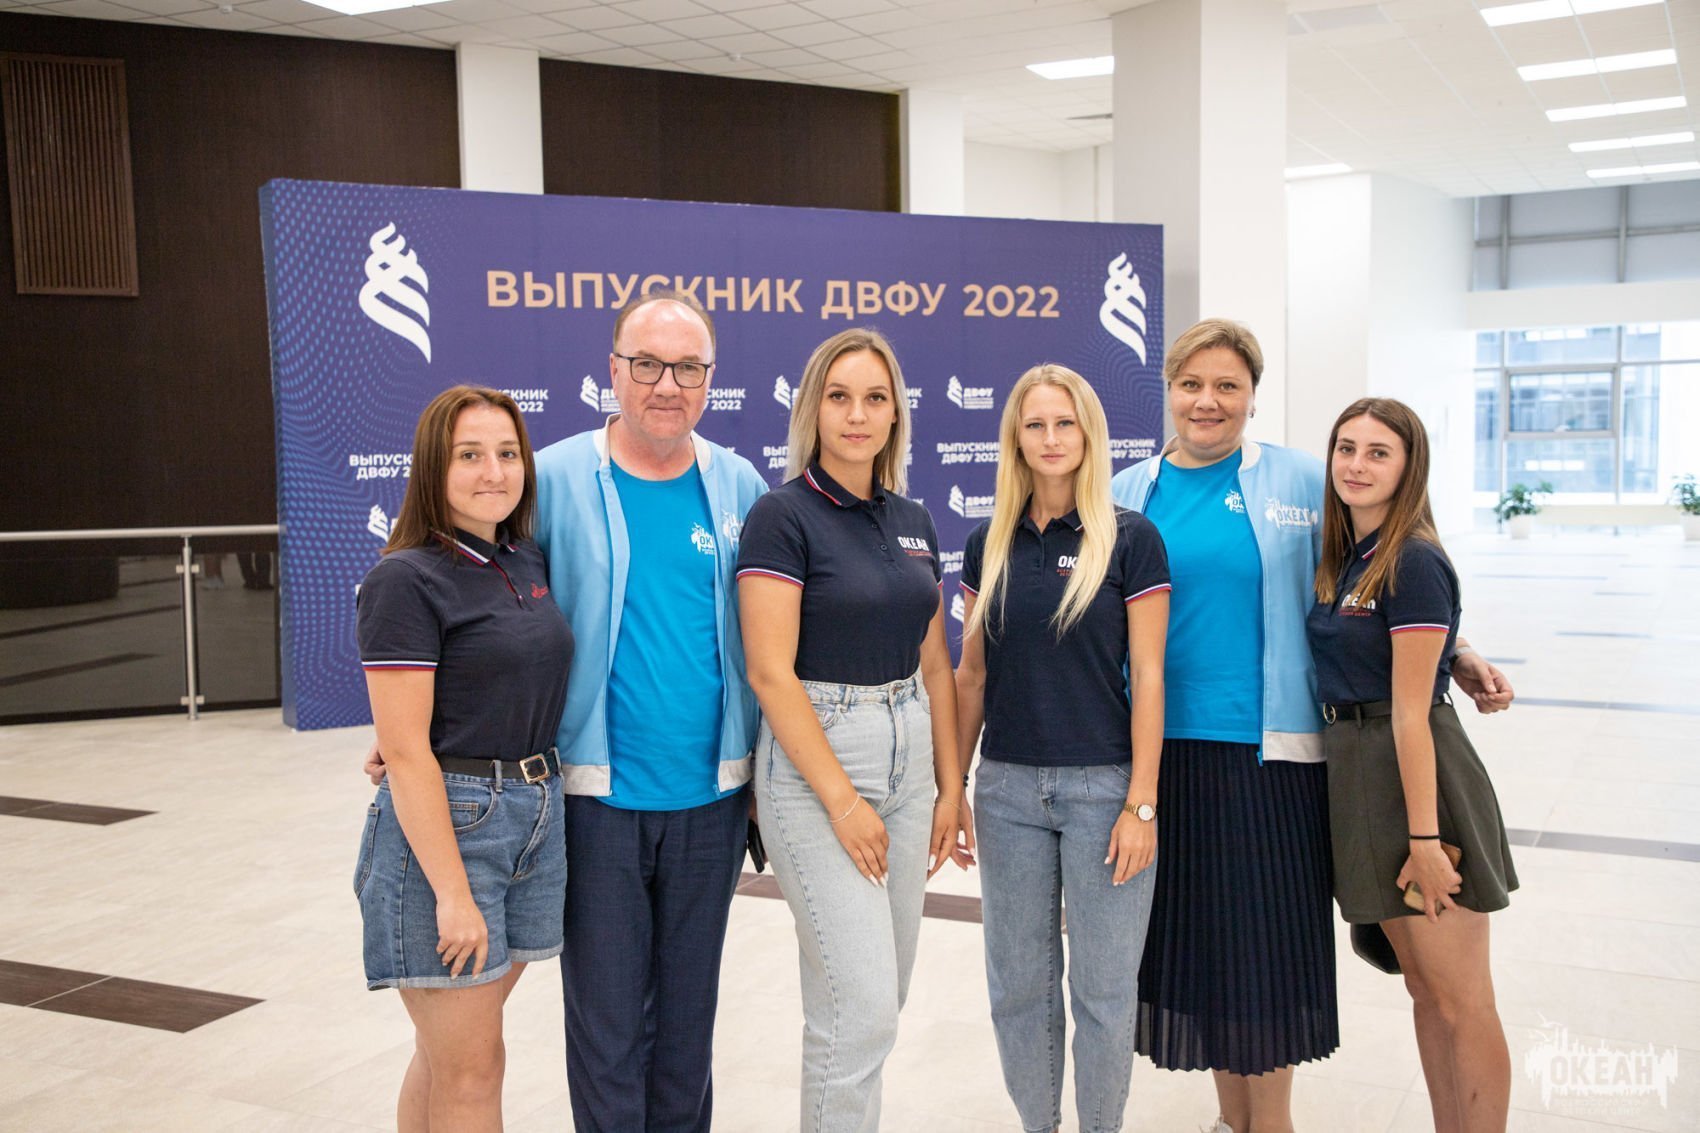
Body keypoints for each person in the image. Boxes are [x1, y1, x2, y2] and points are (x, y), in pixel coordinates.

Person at [367, 289, 767, 1131]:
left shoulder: (739, 484)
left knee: (687, 1029)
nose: (667, 384)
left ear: (711, 379)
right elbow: (477, 608)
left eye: (687, 367)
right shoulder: (544, 478)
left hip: (711, 803)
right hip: (592, 803)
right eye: (647, 364)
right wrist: (408, 736)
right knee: (606, 1029)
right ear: (612, 370)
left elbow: (769, 640)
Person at [1108, 319, 1514, 1133]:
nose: (1208, 400)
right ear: (1167, 389)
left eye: (1228, 385)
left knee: (1267, 957)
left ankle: (1272, 1122)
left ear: (1254, 396)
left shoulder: (1301, 479)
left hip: (1277, 757)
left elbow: (1388, 574)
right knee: (1207, 957)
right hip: (1161, 756)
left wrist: (1455, 651)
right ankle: (1234, 1120)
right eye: (1192, 383)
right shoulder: (1127, 490)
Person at [737, 327, 971, 1132]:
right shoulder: (782, 516)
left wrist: (949, 786)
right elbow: (770, 672)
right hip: (819, 764)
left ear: (896, 413)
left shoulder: (913, 518)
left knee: (873, 1000)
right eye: (839, 397)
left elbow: (935, 663)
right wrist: (841, 800)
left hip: (910, 753)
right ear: (813, 407)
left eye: (875, 398)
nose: (857, 414)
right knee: (862, 1008)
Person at [954, 364, 1170, 1133]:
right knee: (1019, 988)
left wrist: (1142, 803)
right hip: (1006, 790)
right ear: (1016, 436)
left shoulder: (1132, 539)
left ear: (1089, 433)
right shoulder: (987, 542)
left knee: (1103, 993)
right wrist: (954, 789)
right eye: (1035, 424)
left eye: (1065, 423)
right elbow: (971, 675)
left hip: (1103, 791)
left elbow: (1150, 675)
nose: (1051, 438)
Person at [353, 385, 571, 1132]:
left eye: (507, 453)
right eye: (469, 455)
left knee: (446, 1056)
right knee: (475, 1070)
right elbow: (406, 751)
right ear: (432, 469)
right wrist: (451, 892)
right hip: (451, 832)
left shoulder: (522, 557)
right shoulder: (405, 578)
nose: (494, 471)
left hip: (534, 815)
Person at [1306, 397, 1517, 1133]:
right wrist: (1463, 650)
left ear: (1408, 467)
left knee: (1464, 1000)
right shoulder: (1348, 553)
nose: (1356, 465)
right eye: (1346, 448)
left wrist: (1426, 841)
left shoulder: (1413, 559)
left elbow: (1410, 712)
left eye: (1378, 452)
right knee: (1426, 992)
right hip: (1360, 773)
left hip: (1416, 778)